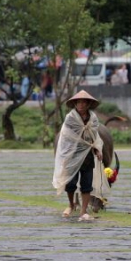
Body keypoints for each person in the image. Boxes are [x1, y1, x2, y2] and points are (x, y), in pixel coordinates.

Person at [53, 90, 110, 222]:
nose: (81, 104)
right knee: (71, 183)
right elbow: (67, 137)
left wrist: (97, 150)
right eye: (78, 102)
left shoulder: (93, 119)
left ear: (88, 104)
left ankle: (83, 211)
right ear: (75, 104)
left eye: (84, 102)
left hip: (88, 157)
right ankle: (71, 205)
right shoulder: (70, 118)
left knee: (86, 184)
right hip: (72, 155)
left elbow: (94, 137)